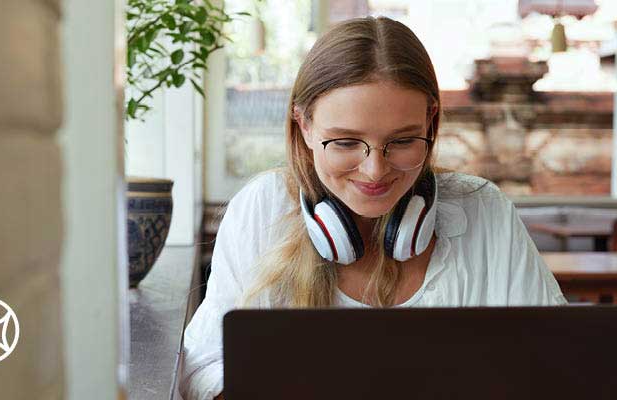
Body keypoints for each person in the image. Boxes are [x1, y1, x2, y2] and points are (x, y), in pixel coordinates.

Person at [179, 16, 566, 400]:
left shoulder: (484, 210)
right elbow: (204, 366)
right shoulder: (263, 208)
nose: (375, 170)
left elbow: (557, 363)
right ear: (304, 125)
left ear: (431, 122)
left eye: (402, 141)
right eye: (345, 142)